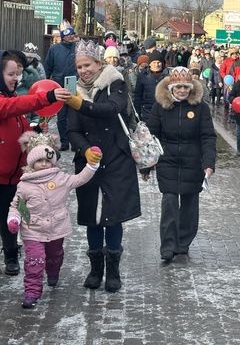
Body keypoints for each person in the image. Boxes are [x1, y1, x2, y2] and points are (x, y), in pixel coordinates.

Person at [66, 39, 142, 293]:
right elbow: (73, 129)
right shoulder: (74, 89)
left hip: (116, 159)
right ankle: (95, 269)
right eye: (79, 66)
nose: (84, 70)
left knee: (113, 216)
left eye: (87, 65)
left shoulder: (115, 83)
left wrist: (81, 104)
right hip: (89, 162)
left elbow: (111, 109)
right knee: (92, 217)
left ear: (99, 64)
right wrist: (85, 150)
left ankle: (113, 271)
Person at [7, 131, 100, 308]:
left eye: (47, 161)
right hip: (32, 230)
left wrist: (92, 165)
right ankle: (32, 291)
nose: (43, 164)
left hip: (56, 228)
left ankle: (53, 271)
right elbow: (17, 206)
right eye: (39, 161)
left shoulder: (60, 179)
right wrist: (14, 219)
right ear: (32, 163)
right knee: (34, 260)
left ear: (52, 161)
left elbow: (79, 179)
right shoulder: (25, 184)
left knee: (54, 256)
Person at [1, 50, 69, 276]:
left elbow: (19, 130)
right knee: (4, 215)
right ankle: (10, 253)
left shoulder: (10, 98)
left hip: (16, 177)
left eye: (17, 74)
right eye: (11, 74)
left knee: (14, 216)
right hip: (1, 176)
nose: (15, 79)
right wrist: (47, 97)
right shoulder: (5, 102)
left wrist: (36, 130)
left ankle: (13, 253)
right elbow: (13, 108)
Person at [145, 67, 216, 262]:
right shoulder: (160, 107)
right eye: (179, 87)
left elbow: (208, 136)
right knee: (169, 202)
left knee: (189, 205)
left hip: (193, 162)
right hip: (167, 160)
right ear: (171, 88)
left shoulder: (200, 108)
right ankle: (168, 245)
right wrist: (147, 163)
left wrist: (208, 162)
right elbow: (151, 135)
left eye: (186, 87)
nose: (183, 91)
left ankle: (183, 243)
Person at [43, 24, 78, 150]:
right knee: (61, 115)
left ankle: (75, 142)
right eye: (67, 35)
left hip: (75, 84)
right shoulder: (54, 49)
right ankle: (64, 141)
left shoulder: (78, 48)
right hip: (58, 84)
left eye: (72, 34)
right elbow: (48, 67)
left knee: (74, 115)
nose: (70, 37)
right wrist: (46, 83)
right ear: (63, 37)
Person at [134, 50, 166, 123]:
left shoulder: (167, 76)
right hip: (147, 111)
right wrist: (138, 112)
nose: (156, 65)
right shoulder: (143, 75)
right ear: (150, 64)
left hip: (164, 111)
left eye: (159, 62)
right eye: (154, 62)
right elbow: (138, 95)